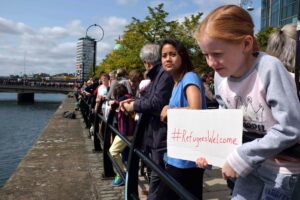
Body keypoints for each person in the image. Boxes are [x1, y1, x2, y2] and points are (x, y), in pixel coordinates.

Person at [194, 5, 300, 200]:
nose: (210, 62)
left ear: (246, 44)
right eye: (206, 55)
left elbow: (291, 127)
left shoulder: (269, 69)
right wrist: (210, 152)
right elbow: (226, 126)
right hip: (250, 166)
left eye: (217, 54)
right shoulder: (220, 78)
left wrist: (243, 156)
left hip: (283, 170)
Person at [120, 43, 173, 200]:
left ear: (147, 62)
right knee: (157, 173)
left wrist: (134, 105)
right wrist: (134, 101)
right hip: (156, 133)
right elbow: (150, 98)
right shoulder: (159, 75)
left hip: (160, 133)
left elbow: (156, 102)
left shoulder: (163, 75)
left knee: (159, 173)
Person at [157, 38, 207, 200]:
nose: (167, 59)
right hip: (182, 153)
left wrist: (170, 111)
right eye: (164, 55)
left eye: (172, 54)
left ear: (182, 56)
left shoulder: (189, 78)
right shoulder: (177, 83)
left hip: (185, 158)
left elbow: (195, 108)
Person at [109, 83, 135, 187]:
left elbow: (115, 102)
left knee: (113, 152)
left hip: (126, 133)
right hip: (128, 132)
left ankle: (120, 175)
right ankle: (123, 173)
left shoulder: (123, 101)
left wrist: (113, 102)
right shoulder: (129, 98)